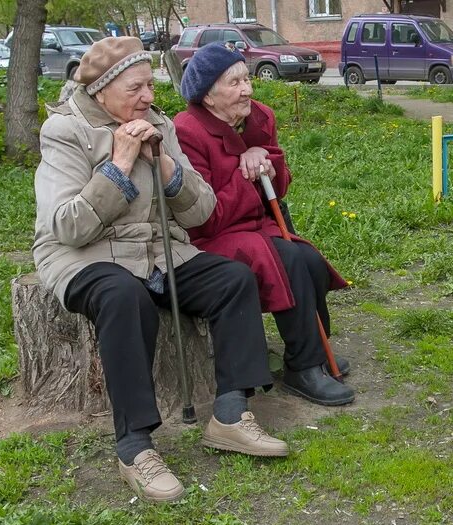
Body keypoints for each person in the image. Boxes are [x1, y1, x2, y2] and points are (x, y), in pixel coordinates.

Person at [33, 37, 289, 504]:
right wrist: (119, 166)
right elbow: (67, 227)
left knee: (232, 280)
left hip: (157, 251)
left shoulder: (159, 125)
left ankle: (230, 414)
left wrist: (169, 168)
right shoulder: (65, 132)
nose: (149, 96)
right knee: (124, 298)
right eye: (137, 87)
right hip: (87, 257)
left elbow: (200, 211)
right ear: (103, 91)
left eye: (151, 84)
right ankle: (134, 446)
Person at [173, 43, 355, 407]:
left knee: (309, 261)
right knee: (286, 259)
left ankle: (313, 353)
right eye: (235, 83)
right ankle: (303, 368)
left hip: (257, 225)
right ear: (208, 95)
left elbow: (280, 187)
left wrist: (268, 162)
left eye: (246, 78)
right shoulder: (187, 132)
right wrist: (245, 168)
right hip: (211, 235)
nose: (248, 89)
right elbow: (204, 215)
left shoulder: (260, 118)